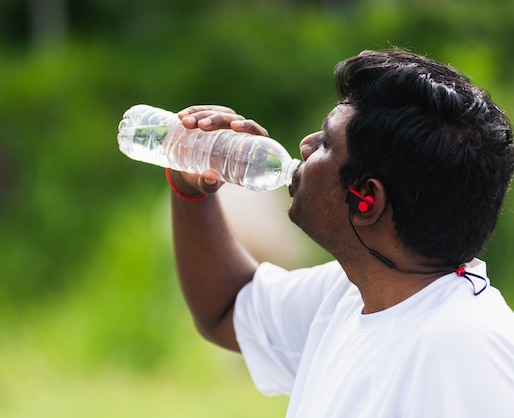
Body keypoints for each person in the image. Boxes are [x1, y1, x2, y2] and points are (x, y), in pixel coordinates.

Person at [164, 49, 514, 417]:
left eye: (326, 144)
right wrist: (190, 189)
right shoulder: (351, 293)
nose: (305, 145)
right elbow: (228, 308)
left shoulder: (465, 352)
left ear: (366, 199)